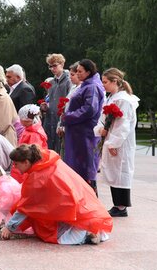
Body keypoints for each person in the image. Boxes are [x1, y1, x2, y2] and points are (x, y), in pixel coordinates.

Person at [1, 144, 112, 244]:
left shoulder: (36, 177)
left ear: (26, 162)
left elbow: (26, 206)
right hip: (80, 204)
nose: (14, 167)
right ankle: (90, 230)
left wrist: (9, 227)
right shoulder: (46, 162)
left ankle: (85, 235)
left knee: (56, 236)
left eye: (16, 164)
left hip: (70, 210)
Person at [95, 68, 140, 217]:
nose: (103, 85)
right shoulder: (112, 98)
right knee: (114, 172)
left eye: (105, 82)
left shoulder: (123, 100)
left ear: (115, 81)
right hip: (111, 138)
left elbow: (123, 125)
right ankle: (117, 204)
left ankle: (121, 206)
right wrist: (101, 129)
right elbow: (103, 118)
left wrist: (114, 143)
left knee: (121, 172)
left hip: (120, 142)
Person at [61, 59, 105, 189]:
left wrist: (69, 116)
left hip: (84, 133)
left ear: (88, 72)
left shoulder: (92, 87)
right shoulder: (87, 85)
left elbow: (89, 109)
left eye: (80, 71)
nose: (77, 74)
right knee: (79, 167)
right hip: (79, 132)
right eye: (77, 71)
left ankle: (89, 196)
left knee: (85, 167)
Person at [42, 53, 71, 151]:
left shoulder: (69, 81)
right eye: (50, 66)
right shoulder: (51, 83)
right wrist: (45, 107)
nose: (52, 69)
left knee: (61, 150)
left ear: (62, 64)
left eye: (55, 65)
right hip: (50, 120)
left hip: (61, 120)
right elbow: (50, 101)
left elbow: (69, 103)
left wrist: (63, 123)